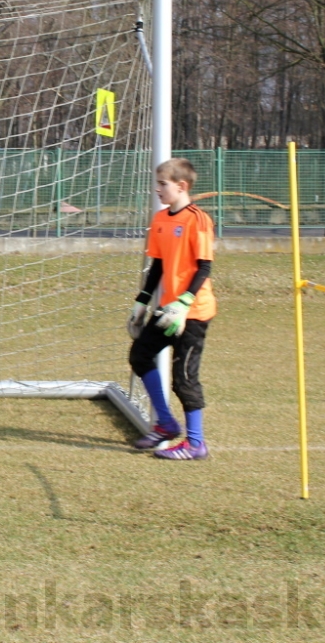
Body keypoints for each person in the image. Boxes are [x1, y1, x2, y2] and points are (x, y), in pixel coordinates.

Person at [126, 156, 217, 460]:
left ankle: (195, 444)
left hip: (193, 312)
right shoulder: (161, 219)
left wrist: (185, 302)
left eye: (162, 184)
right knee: (139, 355)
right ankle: (165, 424)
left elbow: (204, 267)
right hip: (167, 309)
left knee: (184, 379)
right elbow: (159, 266)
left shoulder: (198, 219)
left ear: (181, 186)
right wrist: (142, 301)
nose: (158, 189)